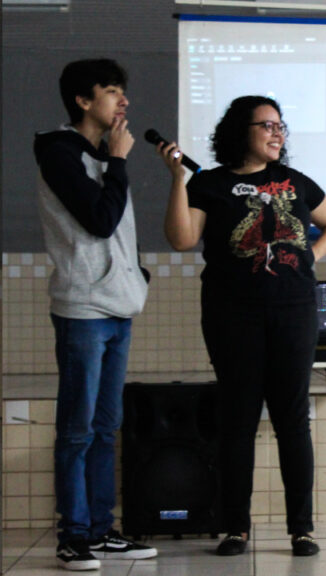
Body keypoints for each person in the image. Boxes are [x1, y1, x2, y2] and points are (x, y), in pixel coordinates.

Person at [159, 95, 326, 557]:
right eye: (266, 125)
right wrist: (178, 180)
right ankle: (235, 528)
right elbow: (182, 238)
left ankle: (301, 528)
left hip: (293, 310)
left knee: (292, 421)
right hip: (231, 314)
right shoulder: (209, 183)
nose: (276, 133)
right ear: (241, 131)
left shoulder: (295, 182)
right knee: (237, 422)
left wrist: (311, 257)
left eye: (280, 126)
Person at [34, 58, 156, 571]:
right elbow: (101, 221)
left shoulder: (105, 153)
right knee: (78, 428)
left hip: (119, 305)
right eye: (111, 92)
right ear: (84, 101)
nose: (123, 101)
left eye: (124, 91)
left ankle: (103, 530)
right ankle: (74, 535)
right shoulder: (61, 151)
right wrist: (119, 161)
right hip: (83, 308)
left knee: (107, 427)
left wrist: (137, 276)